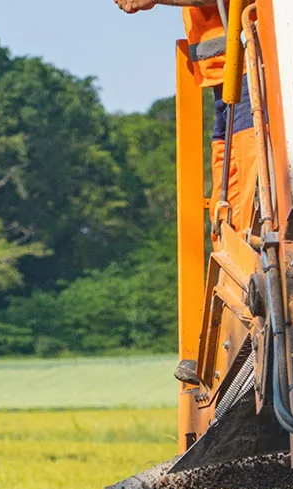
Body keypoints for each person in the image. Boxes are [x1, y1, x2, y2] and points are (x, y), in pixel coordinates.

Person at [114, 0, 260, 386]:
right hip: (226, 79)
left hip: (250, 72)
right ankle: (233, 333)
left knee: (243, 209)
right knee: (226, 213)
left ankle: (248, 332)